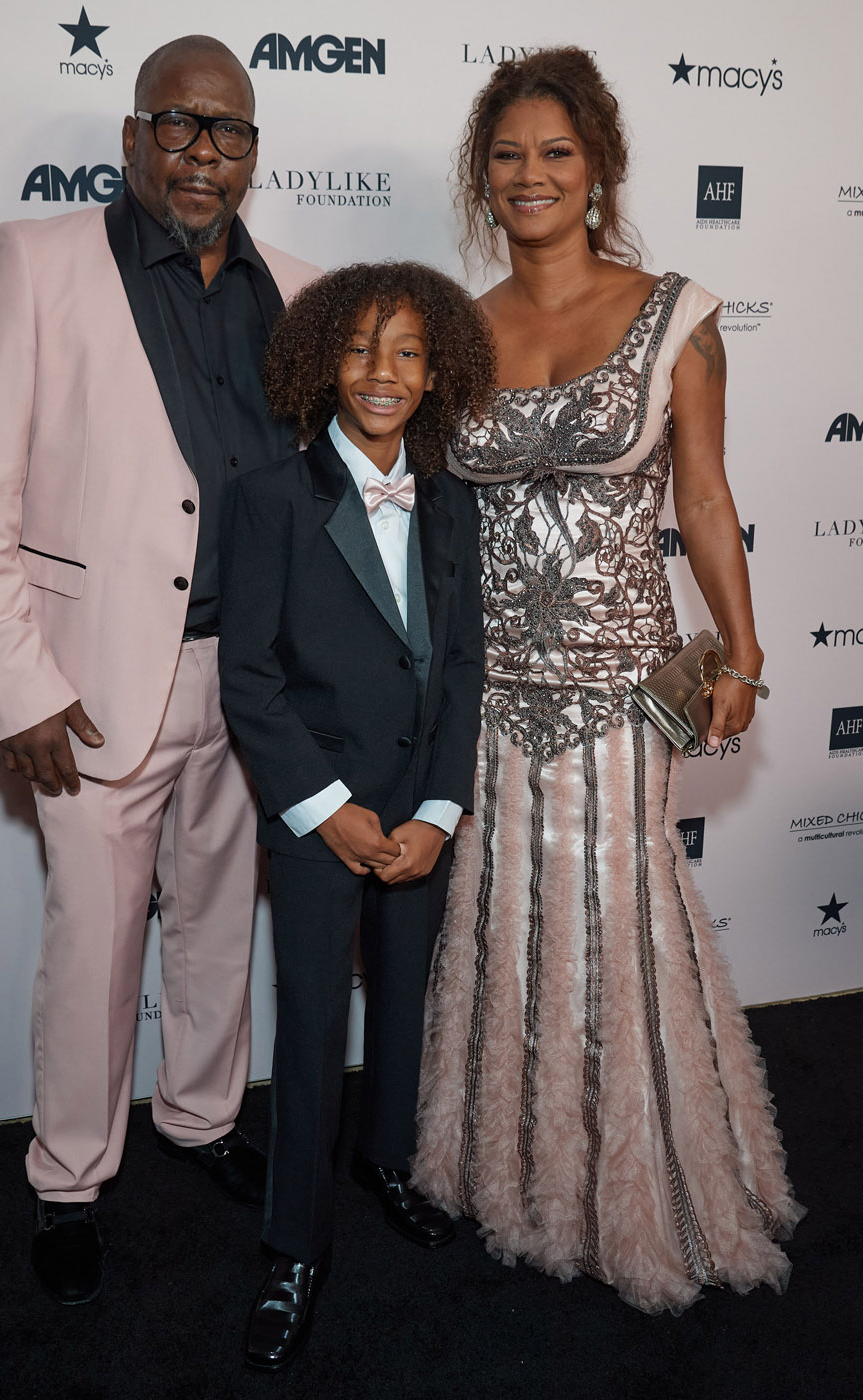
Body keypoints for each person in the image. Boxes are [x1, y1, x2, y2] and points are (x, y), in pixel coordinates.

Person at [0, 35, 320, 1305]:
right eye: (180, 123)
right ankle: (69, 1175)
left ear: (255, 153)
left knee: (216, 923)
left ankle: (201, 1120)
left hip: (252, 681)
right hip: (89, 687)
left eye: (231, 130)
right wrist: (18, 684)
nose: (205, 150)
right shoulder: (34, 263)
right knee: (94, 940)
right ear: (133, 137)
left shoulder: (301, 290)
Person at [412, 48, 804, 1315]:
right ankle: (521, 1180)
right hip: (488, 696)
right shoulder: (455, 328)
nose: (530, 176)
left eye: (555, 155)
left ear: (599, 172)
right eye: (508, 156)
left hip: (617, 693)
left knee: (621, 922)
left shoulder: (674, 314)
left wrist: (740, 654)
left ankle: (654, 1190)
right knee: (503, 924)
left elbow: (701, 495)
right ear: (485, 177)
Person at [218, 263, 494, 1367]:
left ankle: (388, 1159)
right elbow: (249, 678)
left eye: (409, 353)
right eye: (361, 349)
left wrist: (438, 806)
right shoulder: (270, 498)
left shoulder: (452, 498)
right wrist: (327, 809)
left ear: (438, 376)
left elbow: (464, 664)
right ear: (321, 359)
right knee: (313, 1022)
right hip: (318, 814)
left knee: (408, 1006)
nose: (383, 373)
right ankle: (294, 1244)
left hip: (418, 806)